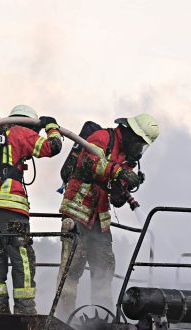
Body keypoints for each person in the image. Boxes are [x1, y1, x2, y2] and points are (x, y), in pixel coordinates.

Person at [0, 104, 63, 314]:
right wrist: (52, 126)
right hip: (11, 209)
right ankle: (25, 309)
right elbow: (52, 147)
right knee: (22, 257)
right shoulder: (21, 132)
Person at [55, 113, 158, 316]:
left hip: (99, 221)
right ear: (131, 134)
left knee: (104, 270)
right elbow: (88, 162)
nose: (139, 150)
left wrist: (122, 187)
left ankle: (102, 320)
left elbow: (116, 198)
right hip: (77, 213)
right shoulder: (102, 138)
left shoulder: (126, 158)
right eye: (139, 143)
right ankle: (62, 319)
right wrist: (118, 171)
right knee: (71, 270)